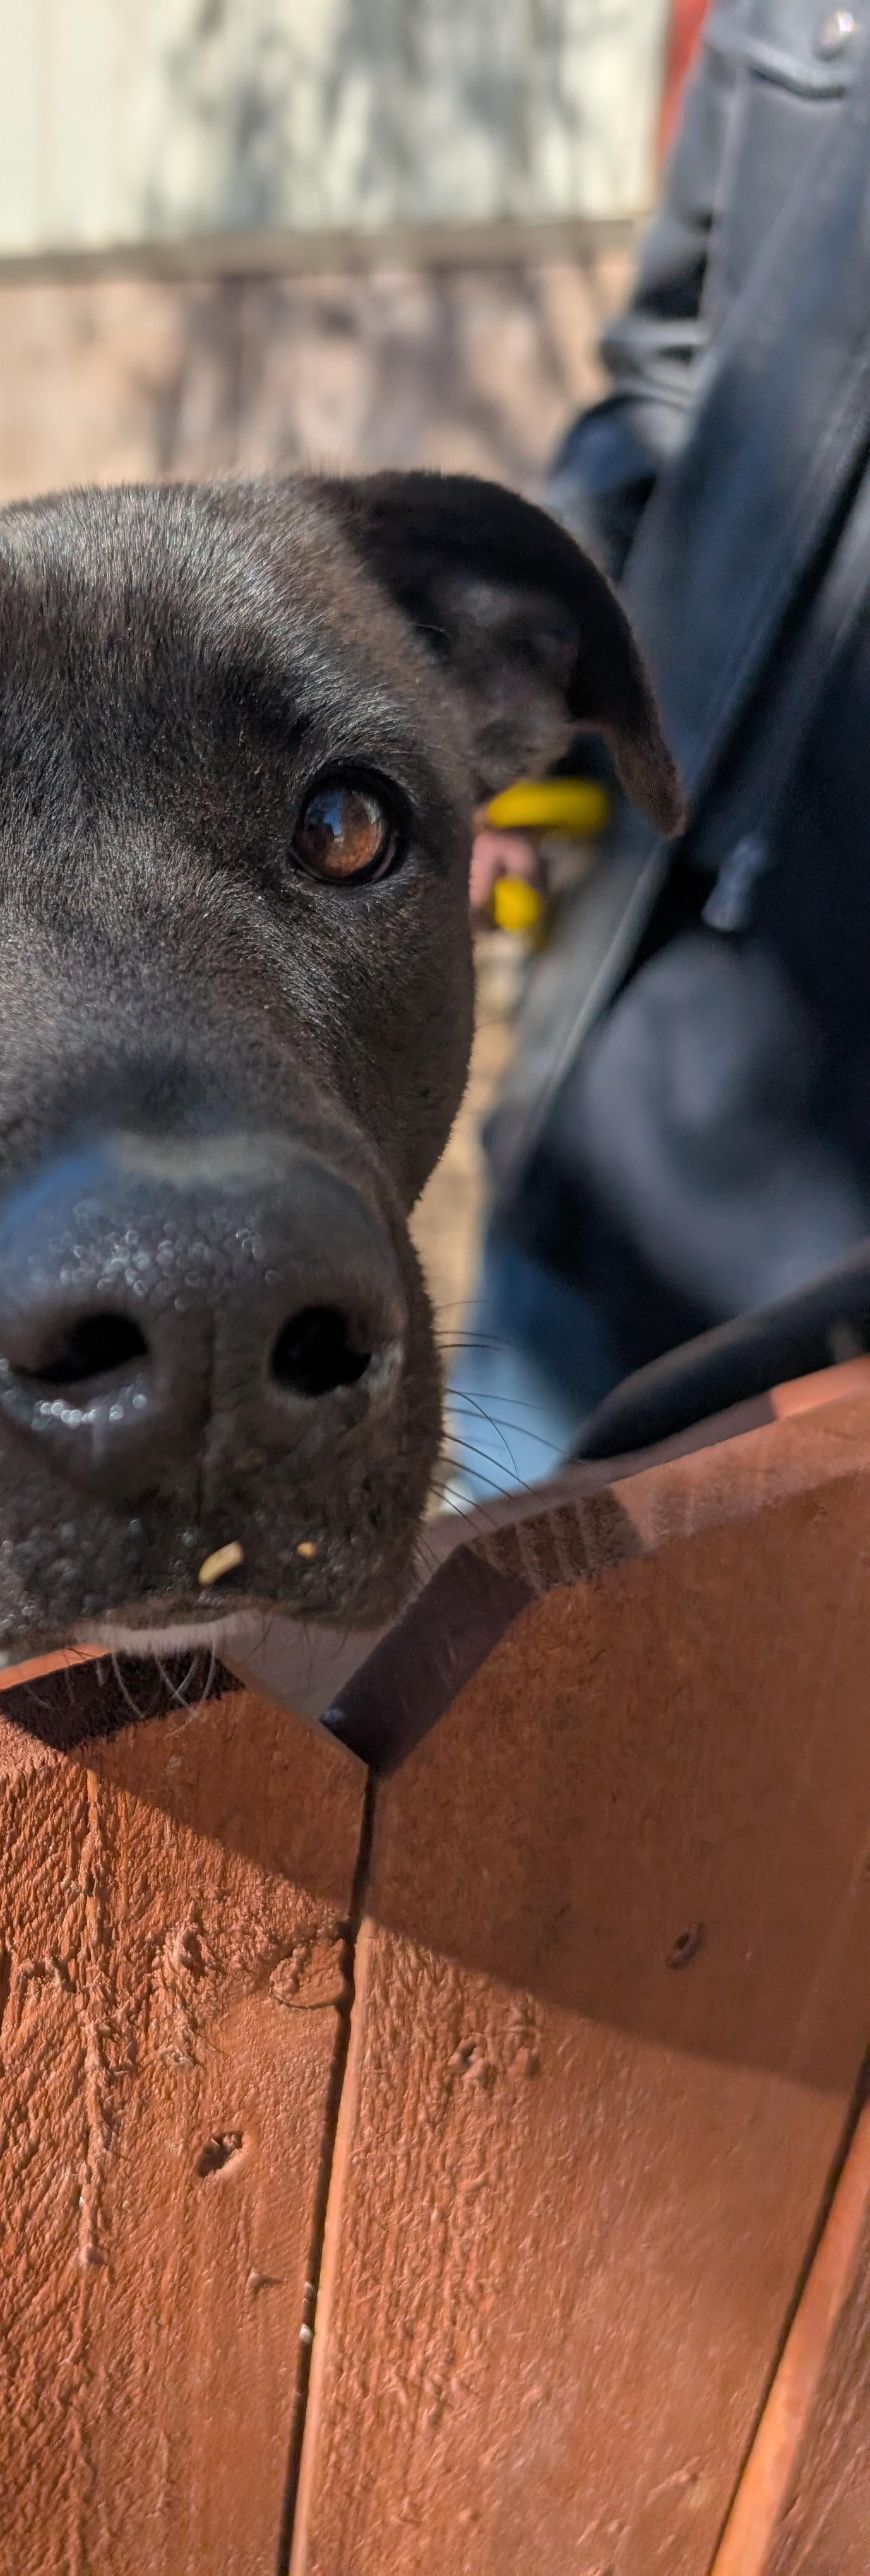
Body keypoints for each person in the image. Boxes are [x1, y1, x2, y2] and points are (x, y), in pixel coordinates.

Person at [450, 0, 870, 1494]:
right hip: (626, 1088)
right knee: (458, 1664)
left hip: (834, 1248)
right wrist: (511, 696)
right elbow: (668, 382)